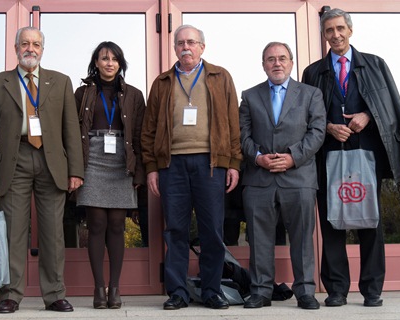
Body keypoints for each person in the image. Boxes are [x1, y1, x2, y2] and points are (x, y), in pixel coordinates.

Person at [302, 8, 400, 308]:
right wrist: (328, 127)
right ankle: (337, 290)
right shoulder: (313, 72)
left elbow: (391, 105)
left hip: (368, 155)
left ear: (350, 30)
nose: (335, 35)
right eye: (329, 30)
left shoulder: (375, 64)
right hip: (328, 156)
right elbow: (305, 117)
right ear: (324, 34)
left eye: (340, 28)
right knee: (331, 225)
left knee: (370, 223)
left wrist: (368, 115)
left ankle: (371, 290)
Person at [0, 26, 84, 313]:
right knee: (13, 232)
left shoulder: (60, 82)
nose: (30, 49)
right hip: (14, 160)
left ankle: (55, 295)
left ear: (42, 49)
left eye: (36, 44)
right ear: (15, 48)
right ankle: (10, 295)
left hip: (52, 162)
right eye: (24, 43)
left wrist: (75, 169)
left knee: (53, 233)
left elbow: (70, 131)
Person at [141, 24, 242, 310]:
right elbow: (148, 129)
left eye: (191, 42)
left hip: (210, 163)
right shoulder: (162, 82)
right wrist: (151, 167)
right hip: (171, 164)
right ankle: (178, 292)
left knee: (212, 229)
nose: (186, 47)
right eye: (180, 43)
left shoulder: (220, 76)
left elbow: (233, 123)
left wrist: (233, 163)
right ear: (174, 48)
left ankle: (211, 291)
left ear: (202, 47)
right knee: (175, 230)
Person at [239, 42, 326, 310]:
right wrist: (258, 157)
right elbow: (242, 134)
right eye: (270, 59)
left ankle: (305, 291)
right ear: (263, 64)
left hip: (298, 177)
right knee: (259, 238)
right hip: (259, 178)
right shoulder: (250, 95)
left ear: (291, 62)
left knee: (302, 238)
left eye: (282, 58)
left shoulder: (311, 94)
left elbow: (317, 131)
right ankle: (261, 291)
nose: (276, 63)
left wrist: (292, 157)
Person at [74, 41, 146, 309]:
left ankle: (114, 288)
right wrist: (75, 170)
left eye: (114, 59)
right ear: (96, 62)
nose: (109, 63)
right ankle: (98, 289)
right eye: (104, 58)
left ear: (120, 63)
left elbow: (139, 137)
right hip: (91, 158)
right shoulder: (81, 94)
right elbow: (72, 133)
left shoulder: (135, 95)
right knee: (96, 225)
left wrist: (139, 173)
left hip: (122, 160)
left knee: (117, 225)